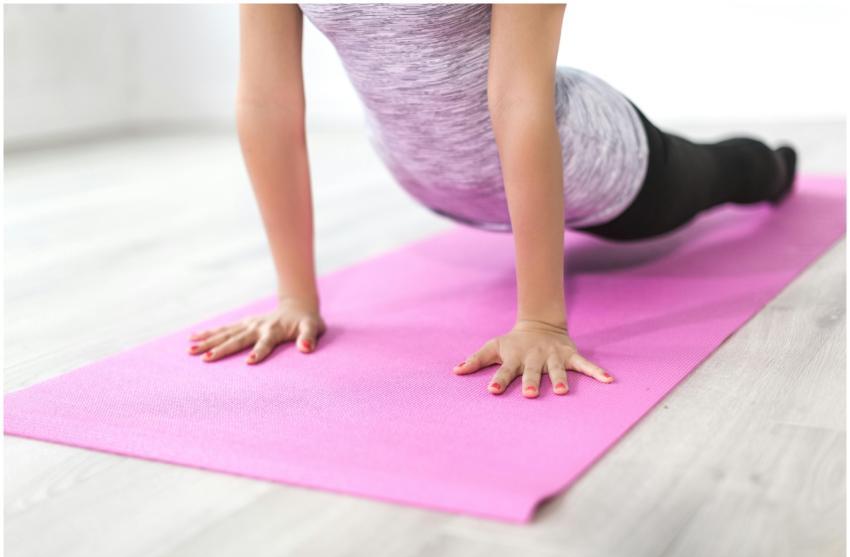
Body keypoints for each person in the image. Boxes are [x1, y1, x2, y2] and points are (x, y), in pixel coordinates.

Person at [187, 4, 797, 398]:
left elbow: (519, 100)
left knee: (723, 171)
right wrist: (296, 298)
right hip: (435, 178)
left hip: (597, 163)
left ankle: (772, 167)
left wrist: (540, 322)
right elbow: (268, 103)